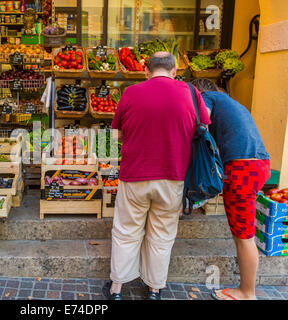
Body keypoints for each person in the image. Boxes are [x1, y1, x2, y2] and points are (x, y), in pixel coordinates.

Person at [102, 52, 211, 300]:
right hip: (173, 176)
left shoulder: (131, 93)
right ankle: (154, 289)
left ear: (146, 71)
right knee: (162, 234)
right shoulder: (191, 93)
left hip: (135, 175)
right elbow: (206, 125)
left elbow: (116, 134)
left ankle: (117, 288)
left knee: (126, 231)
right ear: (174, 71)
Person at [191, 79, 271, 301]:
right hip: (258, 164)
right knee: (241, 232)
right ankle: (245, 289)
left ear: (198, 93)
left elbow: (200, 124)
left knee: (244, 235)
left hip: (243, 168)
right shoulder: (233, 103)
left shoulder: (207, 98)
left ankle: (247, 292)